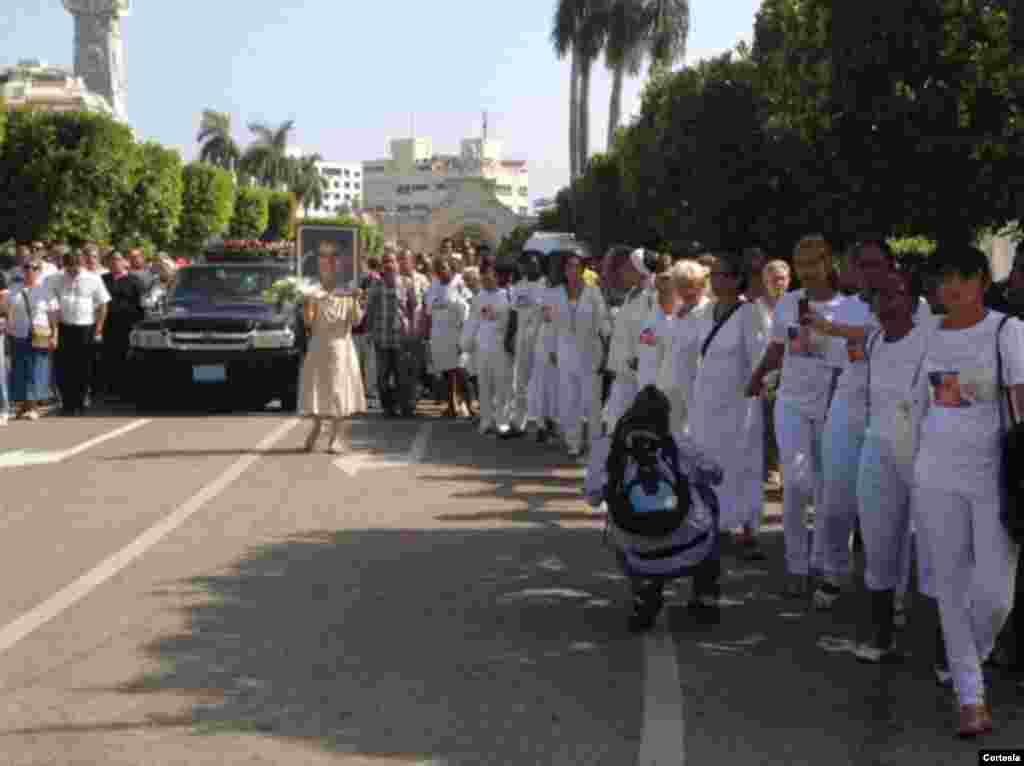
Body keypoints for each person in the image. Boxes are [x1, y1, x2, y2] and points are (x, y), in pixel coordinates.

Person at [910, 245, 1023, 738]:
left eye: (961, 277)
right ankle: (970, 698)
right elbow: (917, 406)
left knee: (996, 594)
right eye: (943, 279)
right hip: (936, 472)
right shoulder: (927, 334)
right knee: (951, 586)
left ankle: (965, 661)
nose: (951, 287)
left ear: (981, 281)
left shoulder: (1008, 331)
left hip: (996, 476)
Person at [747, 234, 847, 597]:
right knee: (797, 484)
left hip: (831, 406)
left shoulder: (847, 306)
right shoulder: (789, 303)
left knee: (824, 488)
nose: (807, 270)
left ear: (828, 261)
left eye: (814, 261)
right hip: (791, 402)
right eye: (800, 263)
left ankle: (821, 562)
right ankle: (796, 563)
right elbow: (777, 349)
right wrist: (757, 377)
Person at [802, 239, 899, 610]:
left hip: (892, 412)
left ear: (891, 266)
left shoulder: (910, 305)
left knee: (888, 507)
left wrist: (834, 329)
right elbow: (832, 363)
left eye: (877, 264)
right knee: (836, 498)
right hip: (847, 405)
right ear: (853, 270)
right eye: (863, 265)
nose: (870, 272)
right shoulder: (845, 307)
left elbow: (879, 336)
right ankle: (834, 571)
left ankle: (890, 587)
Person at [584, 385, 725, 630]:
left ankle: (644, 591)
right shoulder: (678, 442)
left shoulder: (607, 447)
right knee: (708, 498)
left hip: (638, 552)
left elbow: (593, 498)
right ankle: (706, 594)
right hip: (690, 544)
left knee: (615, 513)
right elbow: (716, 474)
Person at [854, 266, 935, 663]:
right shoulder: (873, 341)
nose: (885, 304)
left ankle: (945, 652)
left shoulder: (933, 336)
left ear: (913, 300)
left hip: (926, 455)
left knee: (934, 549)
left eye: (895, 295)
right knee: (879, 541)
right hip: (878, 448)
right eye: (878, 297)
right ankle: (881, 637)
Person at [690, 252, 768, 560]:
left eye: (724, 275)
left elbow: (759, 358)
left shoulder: (749, 313)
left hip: (739, 404)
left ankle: (748, 530)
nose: (718, 281)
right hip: (706, 401)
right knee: (709, 462)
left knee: (743, 464)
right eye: (715, 276)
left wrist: (754, 390)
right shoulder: (705, 311)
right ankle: (714, 525)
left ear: (737, 280)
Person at [298, 242, 366, 454]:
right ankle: (317, 427)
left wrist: (356, 300)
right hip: (319, 346)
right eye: (324, 259)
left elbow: (356, 322)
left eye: (333, 259)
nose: (329, 264)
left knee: (338, 392)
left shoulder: (347, 292)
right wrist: (308, 301)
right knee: (317, 389)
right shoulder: (314, 291)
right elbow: (308, 322)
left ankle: (335, 437)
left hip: (341, 348)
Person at [553, 251, 609, 458]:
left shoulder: (593, 292)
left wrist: (606, 352)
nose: (573, 270)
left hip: (591, 353)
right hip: (566, 352)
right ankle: (573, 443)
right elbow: (550, 324)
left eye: (577, 266)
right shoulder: (556, 292)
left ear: (583, 270)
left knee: (592, 401)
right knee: (569, 400)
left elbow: (604, 322)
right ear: (564, 271)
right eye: (569, 266)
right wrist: (552, 350)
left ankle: (595, 445)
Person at [51, 250, 110, 415]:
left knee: (83, 367)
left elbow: (103, 305)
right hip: (64, 327)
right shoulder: (57, 279)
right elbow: (52, 304)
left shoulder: (93, 278)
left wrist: (99, 328)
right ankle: (67, 403)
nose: (72, 272)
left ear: (82, 264)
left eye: (75, 268)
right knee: (64, 366)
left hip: (86, 328)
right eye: (69, 268)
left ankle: (80, 401)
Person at [604, 249, 657, 433]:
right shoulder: (631, 294)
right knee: (614, 417)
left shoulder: (651, 298)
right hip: (623, 371)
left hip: (640, 370)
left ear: (639, 270)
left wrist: (640, 355)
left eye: (628, 267)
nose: (622, 271)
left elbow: (651, 330)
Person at [658, 259, 712, 434]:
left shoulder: (708, 311)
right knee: (672, 433)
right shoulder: (678, 310)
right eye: (680, 285)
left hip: (697, 384)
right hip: (671, 383)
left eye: (691, 285)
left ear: (702, 285)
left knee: (698, 433)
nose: (686, 291)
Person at [461, 258, 512, 435]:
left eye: (490, 274)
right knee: (484, 385)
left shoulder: (506, 295)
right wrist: (466, 343)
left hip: (500, 347)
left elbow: (510, 322)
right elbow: (472, 322)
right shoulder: (479, 298)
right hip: (482, 347)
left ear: (497, 275)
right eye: (484, 274)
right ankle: (486, 420)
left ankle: (502, 421)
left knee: (502, 385)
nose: (487, 278)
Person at [365, 251, 419, 418]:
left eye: (392, 261)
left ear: (397, 264)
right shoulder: (376, 284)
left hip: (401, 337)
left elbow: (413, 306)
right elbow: (371, 309)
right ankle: (388, 407)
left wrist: (413, 329)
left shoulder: (407, 283)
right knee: (382, 376)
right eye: (386, 262)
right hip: (381, 338)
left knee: (403, 375)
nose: (389, 265)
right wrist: (369, 332)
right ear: (382, 265)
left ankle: (406, 407)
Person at [6, 257, 59, 421]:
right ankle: (23, 405)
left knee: (38, 368)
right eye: (27, 267)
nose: (30, 271)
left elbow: (54, 315)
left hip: (40, 332)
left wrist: (55, 335)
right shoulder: (14, 289)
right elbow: (7, 310)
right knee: (19, 368)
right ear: (23, 270)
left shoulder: (46, 290)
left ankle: (34, 405)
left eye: (34, 268)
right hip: (18, 334)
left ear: (39, 271)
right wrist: (8, 328)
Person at [503, 250, 548, 438]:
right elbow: (513, 314)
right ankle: (517, 423)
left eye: (535, 263)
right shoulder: (518, 287)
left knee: (540, 383)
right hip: (522, 340)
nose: (531, 266)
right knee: (519, 382)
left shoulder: (547, 285)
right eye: (528, 263)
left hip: (541, 341)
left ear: (539, 265)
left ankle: (542, 425)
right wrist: (508, 336)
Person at [757, 260, 791, 489]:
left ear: (788, 280)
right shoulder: (755, 307)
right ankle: (772, 467)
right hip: (766, 371)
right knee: (768, 420)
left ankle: (786, 466)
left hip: (793, 370)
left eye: (781, 278)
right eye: (772, 279)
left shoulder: (798, 303)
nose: (777, 283)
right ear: (764, 282)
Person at [424, 254, 471, 419]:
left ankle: (469, 404)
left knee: (460, 370)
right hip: (439, 335)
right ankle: (451, 405)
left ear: (451, 268)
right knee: (446, 372)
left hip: (456, 334)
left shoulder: (459, 283)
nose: (440, 272)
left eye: (443, 268)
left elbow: (467, 308)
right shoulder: (434, 285)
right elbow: (428, 308)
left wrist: (464, 334)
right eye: (437, 269)